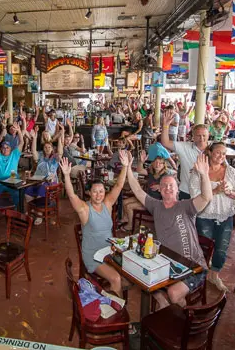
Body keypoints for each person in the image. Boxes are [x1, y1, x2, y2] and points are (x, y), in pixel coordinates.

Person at [126, 151, 213, 308]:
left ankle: (178, 315)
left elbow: (206, 197)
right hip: (169, 263)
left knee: (173, 293)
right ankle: (166, 306)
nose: (167, 188)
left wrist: (204, 174)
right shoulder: (155, 205)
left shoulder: (186, 206)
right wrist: (127, 168)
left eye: (171, 185)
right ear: (159, 189)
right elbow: (138, 191)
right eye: (164, 185)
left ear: (177, 189)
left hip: (194, 267)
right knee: (143, 278)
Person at [59, 151, 129, 296]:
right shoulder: (85, 209)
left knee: (131, 275)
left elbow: (119, 186)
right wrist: (66, 175)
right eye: (95, 192)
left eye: (101, 191)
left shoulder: (108, 204)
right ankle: (115, 313)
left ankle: (110, 299)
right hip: (93, 255)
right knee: (116, 279)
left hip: (109, 252)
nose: (99, 195)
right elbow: (71, 195)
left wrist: (125, 167)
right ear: (89, 193)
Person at [189, 142, 235, 291]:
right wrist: (215, 191)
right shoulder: (199, 172)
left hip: (225, 215)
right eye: (218, 152)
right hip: (204, 215)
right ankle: (200, 275)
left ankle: (214, 275)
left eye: (224, 154)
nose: (221, 156)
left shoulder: (231, 171)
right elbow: (195, 196)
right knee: (203, 248)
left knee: (222, 248)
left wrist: (230, 192)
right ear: (210, 152)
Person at [161, 109, 209, 199]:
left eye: (204, 135)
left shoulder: (213, 150)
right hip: (186, 190)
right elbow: (165, 142)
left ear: (208, 135)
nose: (201, 138)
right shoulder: (185, 147)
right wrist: (165, 125)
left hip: (207, 191)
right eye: (198, 135)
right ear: (193, 137)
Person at [120, 150, 173, 232]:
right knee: (124, 202)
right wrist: (141, 162)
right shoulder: (151, 172)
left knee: (129, 206)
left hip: (154, 202)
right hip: (145, 197)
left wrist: (161, 186)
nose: (157, 164)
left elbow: (173, 185)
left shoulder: (165, 175)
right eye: (155, 162)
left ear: (164, 165)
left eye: (160, 163)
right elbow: (139, 170)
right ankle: (126, 219)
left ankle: (130, 225)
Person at [27, 127, 63, 225]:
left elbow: (60, 152)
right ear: (43, 148)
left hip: (50, 183)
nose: (47, 149)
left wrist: (59, 138)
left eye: (49, 147)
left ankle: (39, 214)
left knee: (41, 190)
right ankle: (33, 210)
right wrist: (34, 138)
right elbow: (33, 151)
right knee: (27, 191)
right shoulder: (40, 156)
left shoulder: (55, 158)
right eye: (45, 147)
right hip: (37, 181)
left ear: (52, 149)